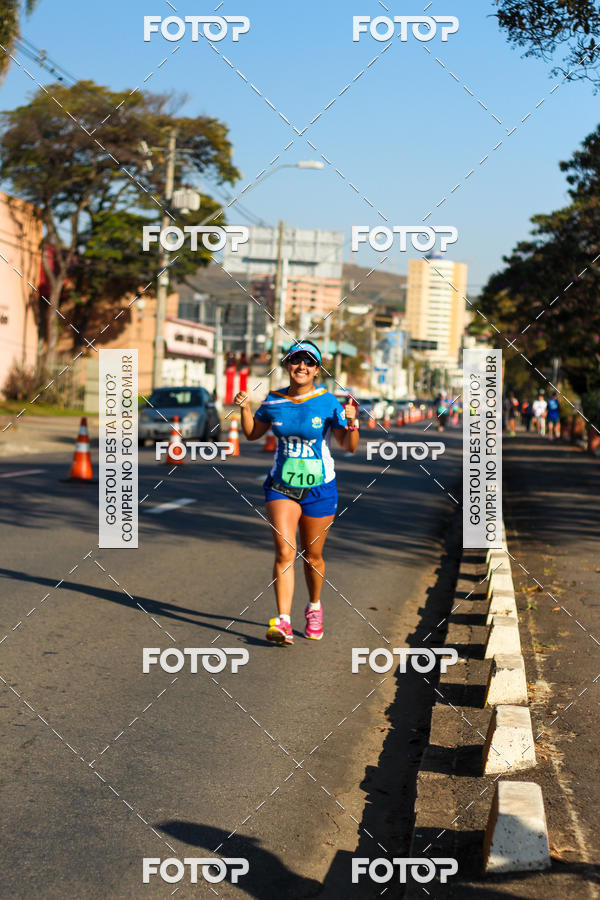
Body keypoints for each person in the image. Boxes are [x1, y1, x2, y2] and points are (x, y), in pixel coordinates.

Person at [235, 340, 359, 646]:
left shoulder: (329, 401)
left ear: (317, 369)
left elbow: (349, 446)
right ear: (287, 365)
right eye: (295, 361)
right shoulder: (274, 400)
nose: (301, 367)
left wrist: (353, 422)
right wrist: (245, 409)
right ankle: (284, 622)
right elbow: (252, 434)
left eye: (309, 362)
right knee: (285, 551)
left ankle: (314, 606)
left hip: (320, 488)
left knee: (312, 556)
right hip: (281, 486)